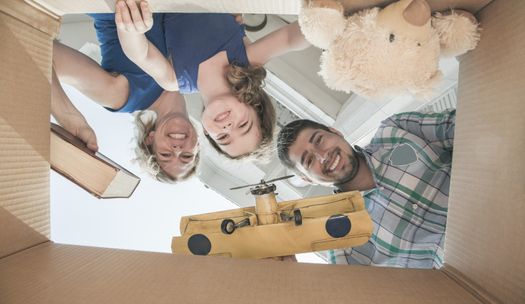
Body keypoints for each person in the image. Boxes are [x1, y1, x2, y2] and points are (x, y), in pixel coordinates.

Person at [115, 0, 310, 160]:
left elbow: (141, 54)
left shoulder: (174, 80)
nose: (228, 127)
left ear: (207, 133)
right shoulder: (245, 60)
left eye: (223, 137)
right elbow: (290, 39)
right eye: (243, 125)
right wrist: (330, 25)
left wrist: (131, 29)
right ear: (254, 105)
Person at [277, 110, 455, 268]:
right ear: (307, 179)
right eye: (309, 161)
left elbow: (464, 126)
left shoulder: (395, 129)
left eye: (319, 140)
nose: (323, 156)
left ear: (335, 132)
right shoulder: (340, 241)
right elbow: (354, 299)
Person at [52, 12, 198, 183]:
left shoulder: (123, 97)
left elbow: (45, 54)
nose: (177, 149)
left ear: (150, 138)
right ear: (197, 144)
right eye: (187, 156)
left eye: (166, 154)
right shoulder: (195, 75)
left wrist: (70, 119)